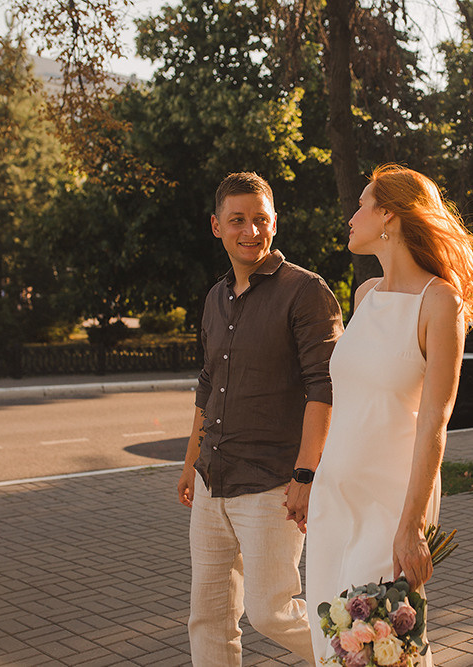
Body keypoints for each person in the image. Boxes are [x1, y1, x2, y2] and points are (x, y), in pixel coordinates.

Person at [304, 164, 473, 665]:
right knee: (330, 646)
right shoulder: (365, 296)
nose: (352, 215)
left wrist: (410, 526)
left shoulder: (440, 303)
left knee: (381, 649)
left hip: (391, 504)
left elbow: (435, 422)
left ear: (388, 214)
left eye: (362, 203)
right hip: (334, 496)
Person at [177, 172, 343, 666]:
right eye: (237, 221)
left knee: (270, 611)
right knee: (207, 615)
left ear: (275, 222)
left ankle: (357, 655)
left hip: (272, 483)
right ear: (216, 226)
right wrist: (190, 463)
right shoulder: (215, 298)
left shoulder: (305, 291)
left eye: (260, 220)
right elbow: (208, 388)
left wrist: (306, 475)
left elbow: (326, 388)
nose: (250, 231)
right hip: (213, 480)